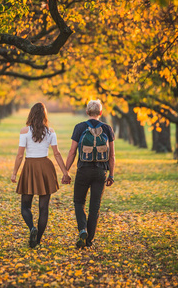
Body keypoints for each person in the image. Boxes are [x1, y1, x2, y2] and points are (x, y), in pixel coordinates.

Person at [11, 102, 70, 248]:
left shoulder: (24, 131)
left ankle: (32, 228)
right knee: (44, 208)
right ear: (44, 115)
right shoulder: (50, 132)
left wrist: (14, 173)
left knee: (25, 206)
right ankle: (37, 241)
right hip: (45, 167)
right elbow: (56, 153)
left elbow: (19, 156)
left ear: (31, 114)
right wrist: (65, 173)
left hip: (30, 167)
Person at [62, 99, 116, 248]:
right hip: (100, 172)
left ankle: (82, 229)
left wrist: (66, 171)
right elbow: (112, 156)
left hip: (83, 171)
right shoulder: (107, 129)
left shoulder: (80, 127)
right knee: (95, 207)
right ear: (100, 113)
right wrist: (111, 175)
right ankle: (89, 240)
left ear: (87, 112)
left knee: (79, 202)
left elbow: (72, 152)